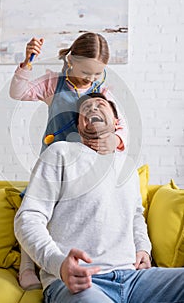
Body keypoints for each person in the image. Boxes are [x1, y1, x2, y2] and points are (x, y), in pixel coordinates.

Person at [14, 93, 184, 303]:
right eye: (85, 109)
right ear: (78, 127)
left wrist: (143, 249)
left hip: (133, 278)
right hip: (77, 281)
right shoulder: (59, 153)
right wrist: (58, 264)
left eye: (100, 104)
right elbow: (28, 219)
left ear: (116, 122)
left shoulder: (127, 166)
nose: (92, 109)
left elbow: (136, 215)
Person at [10, 32, 127, 289]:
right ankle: (27, 266)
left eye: (97, 73)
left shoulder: (103, 92)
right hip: (54, 164)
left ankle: (74, 260)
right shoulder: (54, 83)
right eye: (87, 71)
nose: (91, 78)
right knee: (36, 208)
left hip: (85, 168)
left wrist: (116, 141)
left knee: (71, 213)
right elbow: (18, 92)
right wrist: (27, 63)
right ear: (71, 60)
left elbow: (120, 125)